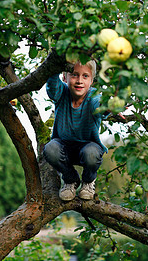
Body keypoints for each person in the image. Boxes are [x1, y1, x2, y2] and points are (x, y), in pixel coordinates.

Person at [43, 60, 107, 201]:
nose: (79, 81)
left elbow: (100, 104)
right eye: (74, 75)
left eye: (85, 76)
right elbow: (52, 86)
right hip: (63, 148)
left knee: (92, 153)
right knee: (50, 149)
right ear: (64, 77)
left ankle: (88, 182)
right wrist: (57, 60)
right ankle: (70, 180)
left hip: (88, 148)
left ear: (91, 80)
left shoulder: (93, 96)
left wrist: (111, 106)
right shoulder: (62, 93)